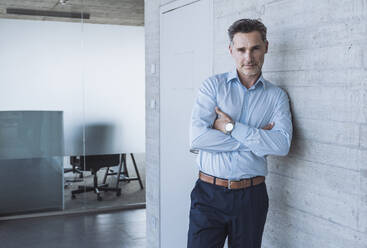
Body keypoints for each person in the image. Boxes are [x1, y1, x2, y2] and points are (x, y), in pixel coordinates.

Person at [187, 19, 293, 248]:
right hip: (208, 195)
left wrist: (230, 128)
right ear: (231, 50)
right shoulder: (213, 87)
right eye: (241, 50)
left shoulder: (276, 97)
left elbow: (282, 145)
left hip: (251, 198)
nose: (248, 57)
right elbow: (197, 138)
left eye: (255, 48)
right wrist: (256, 139)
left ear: (266, 46)